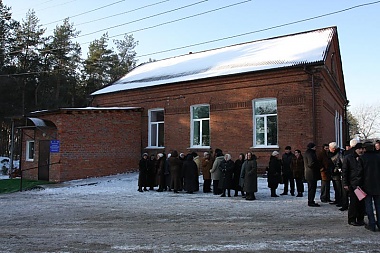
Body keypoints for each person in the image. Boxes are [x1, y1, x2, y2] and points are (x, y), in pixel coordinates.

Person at [342, 143, 365, 226]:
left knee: (361, 203)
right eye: (360, 149)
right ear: (356, 149)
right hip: (353, 184)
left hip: (361, 183)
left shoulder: (363, 158)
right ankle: (352, 219)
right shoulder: (349, 158)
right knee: (353, 202)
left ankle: (360, 219)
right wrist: (345, 183)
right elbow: (345, 172)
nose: (361, 150)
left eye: (362, 149)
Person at [361, 142, 380, 232]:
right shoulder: (378, 157)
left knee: (368, 205)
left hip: (366, 185)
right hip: (378, 184)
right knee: (378, 205)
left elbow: (360, 173)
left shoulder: (362, 158)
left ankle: (372, 224)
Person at [304, 142, 320, 207]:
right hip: (312, 173)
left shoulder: (307, 153)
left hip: (308, 173)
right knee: (312, 188)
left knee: (311, 188)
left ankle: (311, 200)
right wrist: (317, 165)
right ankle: (311, 201)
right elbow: (311, 164)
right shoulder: (311, 153)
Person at [328, 142, 343, 207]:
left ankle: (340, 200)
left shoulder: (339, 153)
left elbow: (342, 162)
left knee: (338, 188)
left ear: (333, 148)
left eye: (330, 148)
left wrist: (337, 169)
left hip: (337, 173)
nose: (329, 149)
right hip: (333, 172)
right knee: (336, 187)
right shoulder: (331, 154)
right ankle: (337, 199)